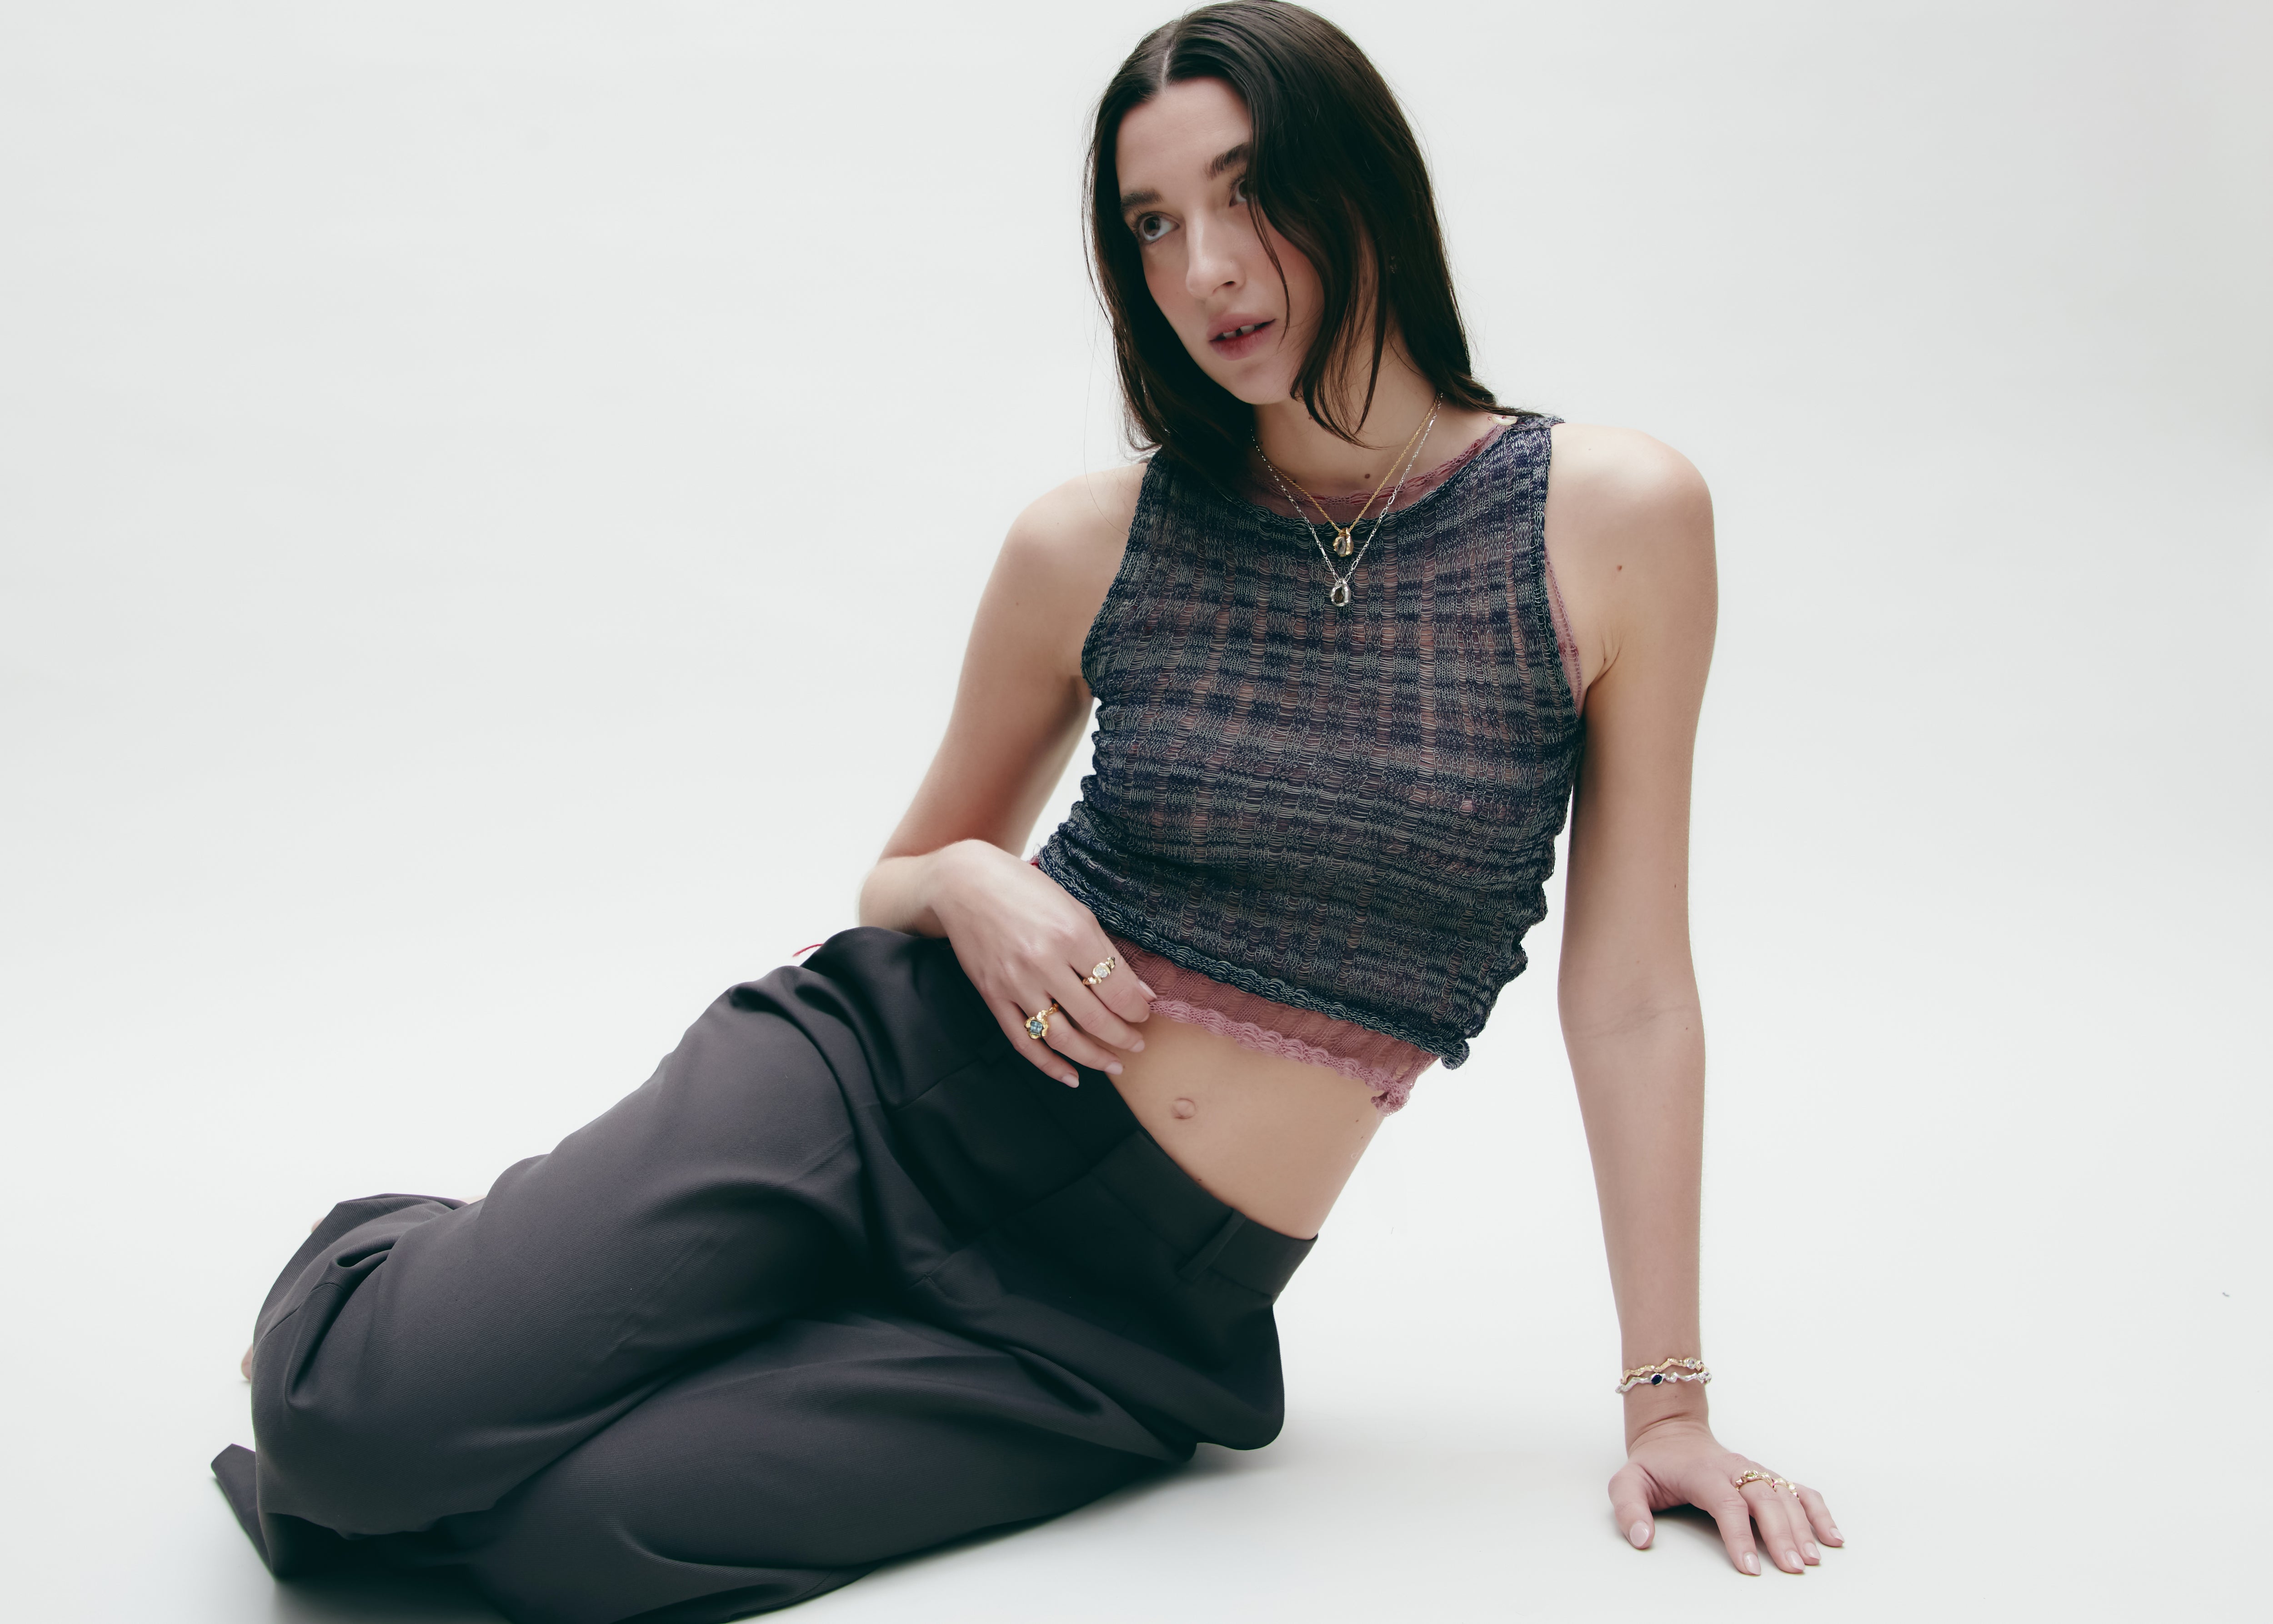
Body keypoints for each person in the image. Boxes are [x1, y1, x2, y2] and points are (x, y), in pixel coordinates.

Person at [214, 5, 1840, 1620]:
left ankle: (524, 1335)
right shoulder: (1093, 539)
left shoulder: (1609, 519)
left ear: (1367, 183)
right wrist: (972, 885)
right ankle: (390, 1279)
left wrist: (1669, 1409)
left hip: (1112, 1320)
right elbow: (899, 873)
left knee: (565, 1545)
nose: (1207, 269)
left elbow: (1633, 994)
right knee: (358, 1431)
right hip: (886, 1092)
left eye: (1247, 192)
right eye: (1154, 225)